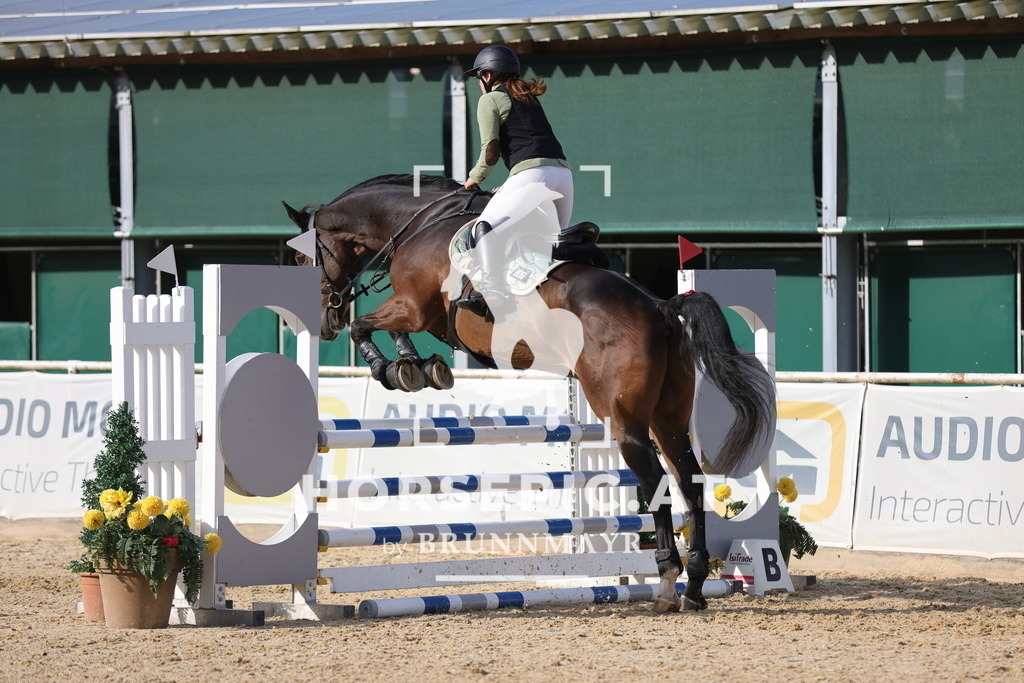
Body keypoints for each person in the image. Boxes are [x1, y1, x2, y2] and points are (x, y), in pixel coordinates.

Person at [456, 45, 573, 317]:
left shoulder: (490, 99)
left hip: (532, 175)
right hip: (563, 175)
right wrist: (511, 184)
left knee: (481, 228)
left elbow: (491, 152)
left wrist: (472, 181)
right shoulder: (528, 98)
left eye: (478, 78)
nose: (478, 84)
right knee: (551, 245)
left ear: (487, 75)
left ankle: (491, 290)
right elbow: (531, 144)